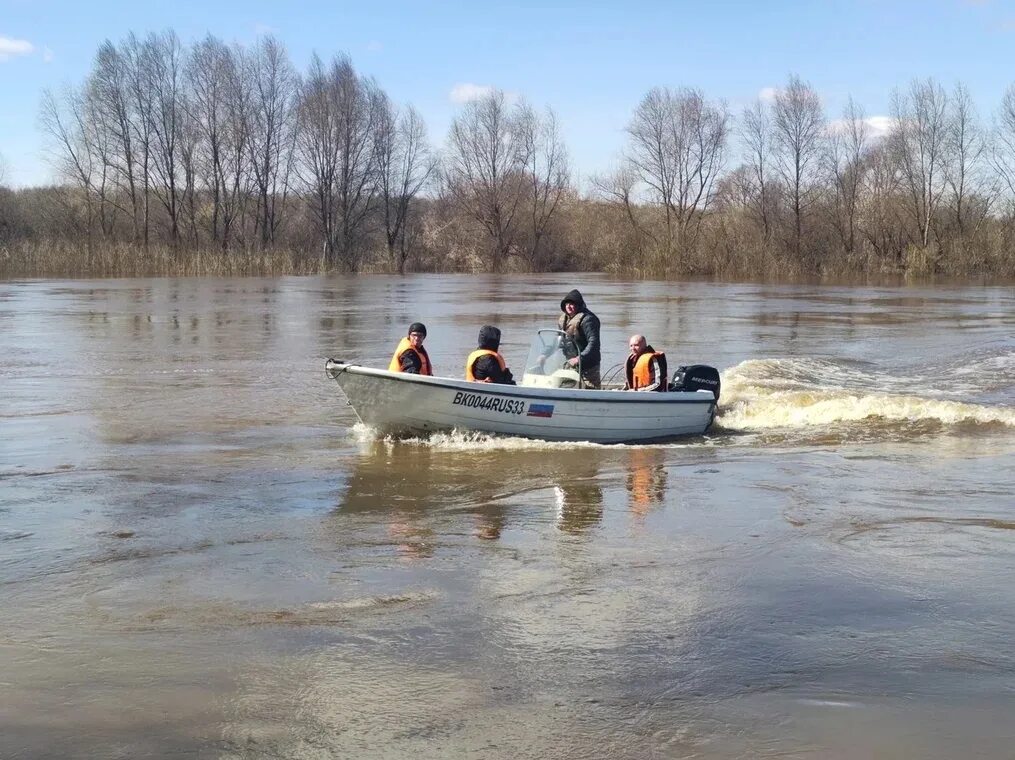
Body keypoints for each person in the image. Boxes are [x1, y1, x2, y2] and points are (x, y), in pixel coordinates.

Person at [557, 289, 602, 389]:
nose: (569, 306)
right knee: (563, 386)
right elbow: (558, 340)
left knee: (592, 391)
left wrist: (579, 358)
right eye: (567, 304)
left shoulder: (588, 319)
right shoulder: (563, 320)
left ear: (578, 305)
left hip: (588, 363)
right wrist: (544, 355)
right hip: (570, 362)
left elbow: (593, 343)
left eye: (572, 304)